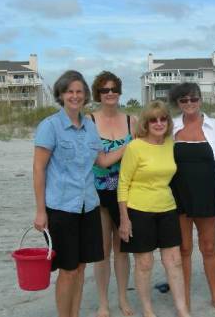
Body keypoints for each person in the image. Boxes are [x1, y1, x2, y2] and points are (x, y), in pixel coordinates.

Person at [33, 70, 126, 317]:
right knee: (68, 269)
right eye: (70, 91)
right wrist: (41, 211)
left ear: (85, 96)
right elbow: (39, 169)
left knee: (82, 267)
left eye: (79, 92)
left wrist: (130, 145)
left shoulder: (89, 127)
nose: (75, 96)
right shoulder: (50, 126)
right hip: (61, 208)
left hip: (89, 206)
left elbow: (103, 161)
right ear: (61, 95)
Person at [169, 83, 215, 315]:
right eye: (184, 100)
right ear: (178, 103)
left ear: (200, 100)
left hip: (209, 195)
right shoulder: (172, 127)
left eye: (193, 99)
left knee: (209, 248)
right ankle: (184, 300)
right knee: (184, 249)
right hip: (179, 196)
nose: (189, 104)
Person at [117, 100, 190, 317]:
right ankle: (148, 310)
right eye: (153, 120)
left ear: (168, 122)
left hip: (167, 208)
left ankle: (182, 309)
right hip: (138, 210)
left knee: (174, 261)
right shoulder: (135, 147)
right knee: (145, 263)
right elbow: (123, 183)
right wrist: (124, 219)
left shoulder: (170, 143)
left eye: (163, 119)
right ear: (146, 123)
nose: (158, 123)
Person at [89, 71, 135, 317]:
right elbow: (101, 161)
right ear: (98, 93)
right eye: (105, 90)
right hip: (98, 193)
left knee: (122, 248)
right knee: (102, 248)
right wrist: (128, 146)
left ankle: (123, 298)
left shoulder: (131, 120)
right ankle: (103, 303)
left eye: (114, 89)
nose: (110, 94)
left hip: (125, 192)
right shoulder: (89, 121)